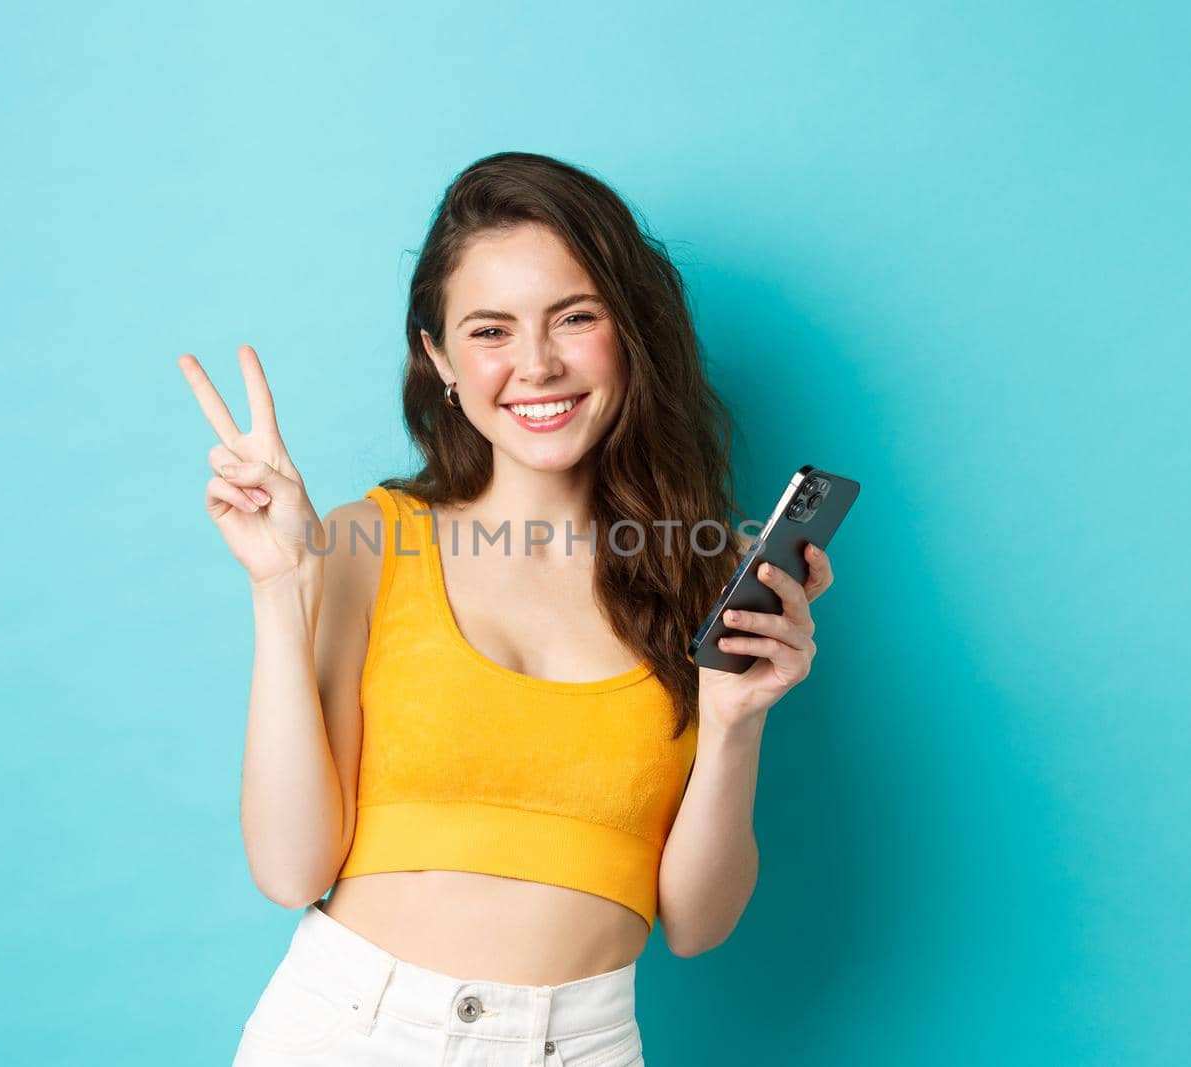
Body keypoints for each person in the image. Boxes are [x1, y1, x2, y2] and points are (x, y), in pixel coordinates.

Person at [178, 151, 834, 1066]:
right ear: (438, 356)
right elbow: (292, 868)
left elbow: (697, 923)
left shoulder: (702, 573)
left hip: (582, 1042)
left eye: (575, 317)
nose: (537, 364)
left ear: (630, 330)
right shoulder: (367, 541)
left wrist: (733, 722)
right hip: (347, 1029)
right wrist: (280, 586)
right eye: (490, 331)